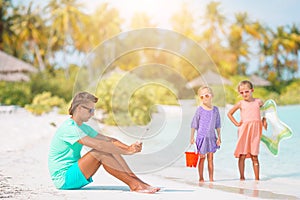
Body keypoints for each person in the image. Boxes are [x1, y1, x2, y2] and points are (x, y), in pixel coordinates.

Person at [48, 91, 160, 193]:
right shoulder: (69, 128)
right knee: (100, 152)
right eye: (90, 110)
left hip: (74, 174)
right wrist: (127, 151)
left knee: (110, 147)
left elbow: (110, 140)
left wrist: (130, 147)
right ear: (79, 108)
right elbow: (99, 145)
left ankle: (137, 181)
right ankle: (135, 185)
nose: (92, 114)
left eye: (93, 110)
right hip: (64, 179)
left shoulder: (83, 127)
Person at [227, 80, 267, 181]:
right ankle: (242, 177)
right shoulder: (241, 103)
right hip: (244, 130)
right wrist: (236, 123)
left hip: (255, 131)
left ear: (252, 90)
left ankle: (257, 179)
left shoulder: (258, 102)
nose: (244, 94)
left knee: (254, 155)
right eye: (242, 92)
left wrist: (264, 119)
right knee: (242, 154)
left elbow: (265, 110)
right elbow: (229, 113)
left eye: (246, 91)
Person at [190, 86, 221, 182]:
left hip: (211, 138)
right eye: (201, 97)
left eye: (206, 95)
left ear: (212, 96)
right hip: (201, 138)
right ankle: (201, 177)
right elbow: (194, 124)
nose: (204, 98)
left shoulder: (215, 110)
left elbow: (218, 125)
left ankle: (211, 178)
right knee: (202, 158)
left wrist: (219, 137)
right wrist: (192, 137)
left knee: (211, 159)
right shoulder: (200, 109)